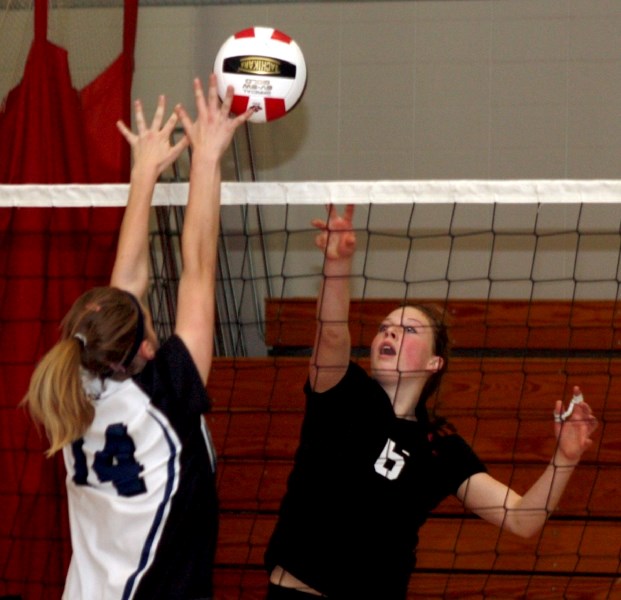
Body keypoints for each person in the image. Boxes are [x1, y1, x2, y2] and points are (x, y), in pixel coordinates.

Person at [264, 204, 599, 599]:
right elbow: (333, 334)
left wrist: (566, 457)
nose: (390, 334)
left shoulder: (439, 446)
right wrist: (337, 264)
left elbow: (522, 520)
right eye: (384, 328)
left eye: (408, 330)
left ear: (434, 361)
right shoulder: (342, 393)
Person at [23, 75, 254, 600]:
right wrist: (206, 158)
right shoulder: (166, 396)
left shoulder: (75, 383)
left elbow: (130, 284)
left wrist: (145, 172)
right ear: (146, 348)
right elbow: (196, 267)